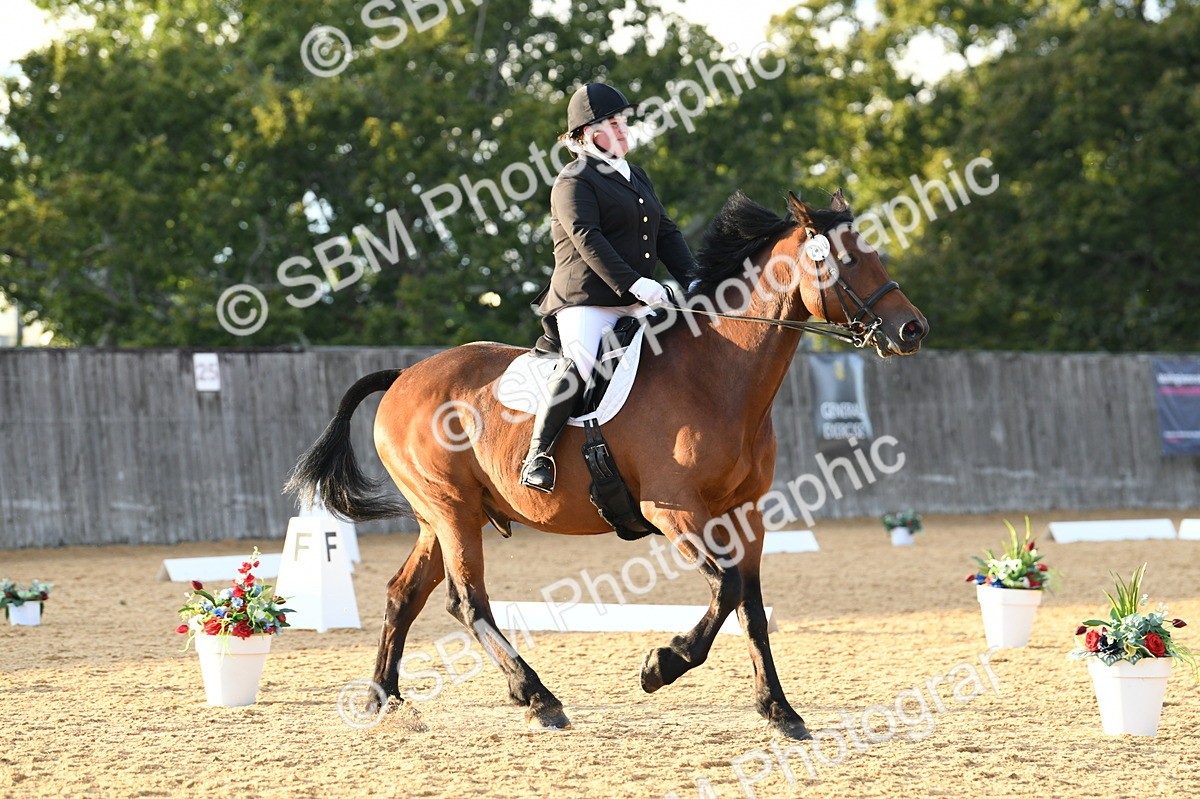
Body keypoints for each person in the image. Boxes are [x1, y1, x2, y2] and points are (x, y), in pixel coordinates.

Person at [520, 82, 699, 493]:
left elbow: (666, 231)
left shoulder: (635, 175)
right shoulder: (573, 180)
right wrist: (636, 284)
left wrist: (693, 278)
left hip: (636, 299)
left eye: (624, 122)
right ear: (587, 133)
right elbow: (588, 238)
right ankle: (537, 455)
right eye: (613, 123)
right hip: (587, 301)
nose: (623, 129)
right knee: (582, 362)